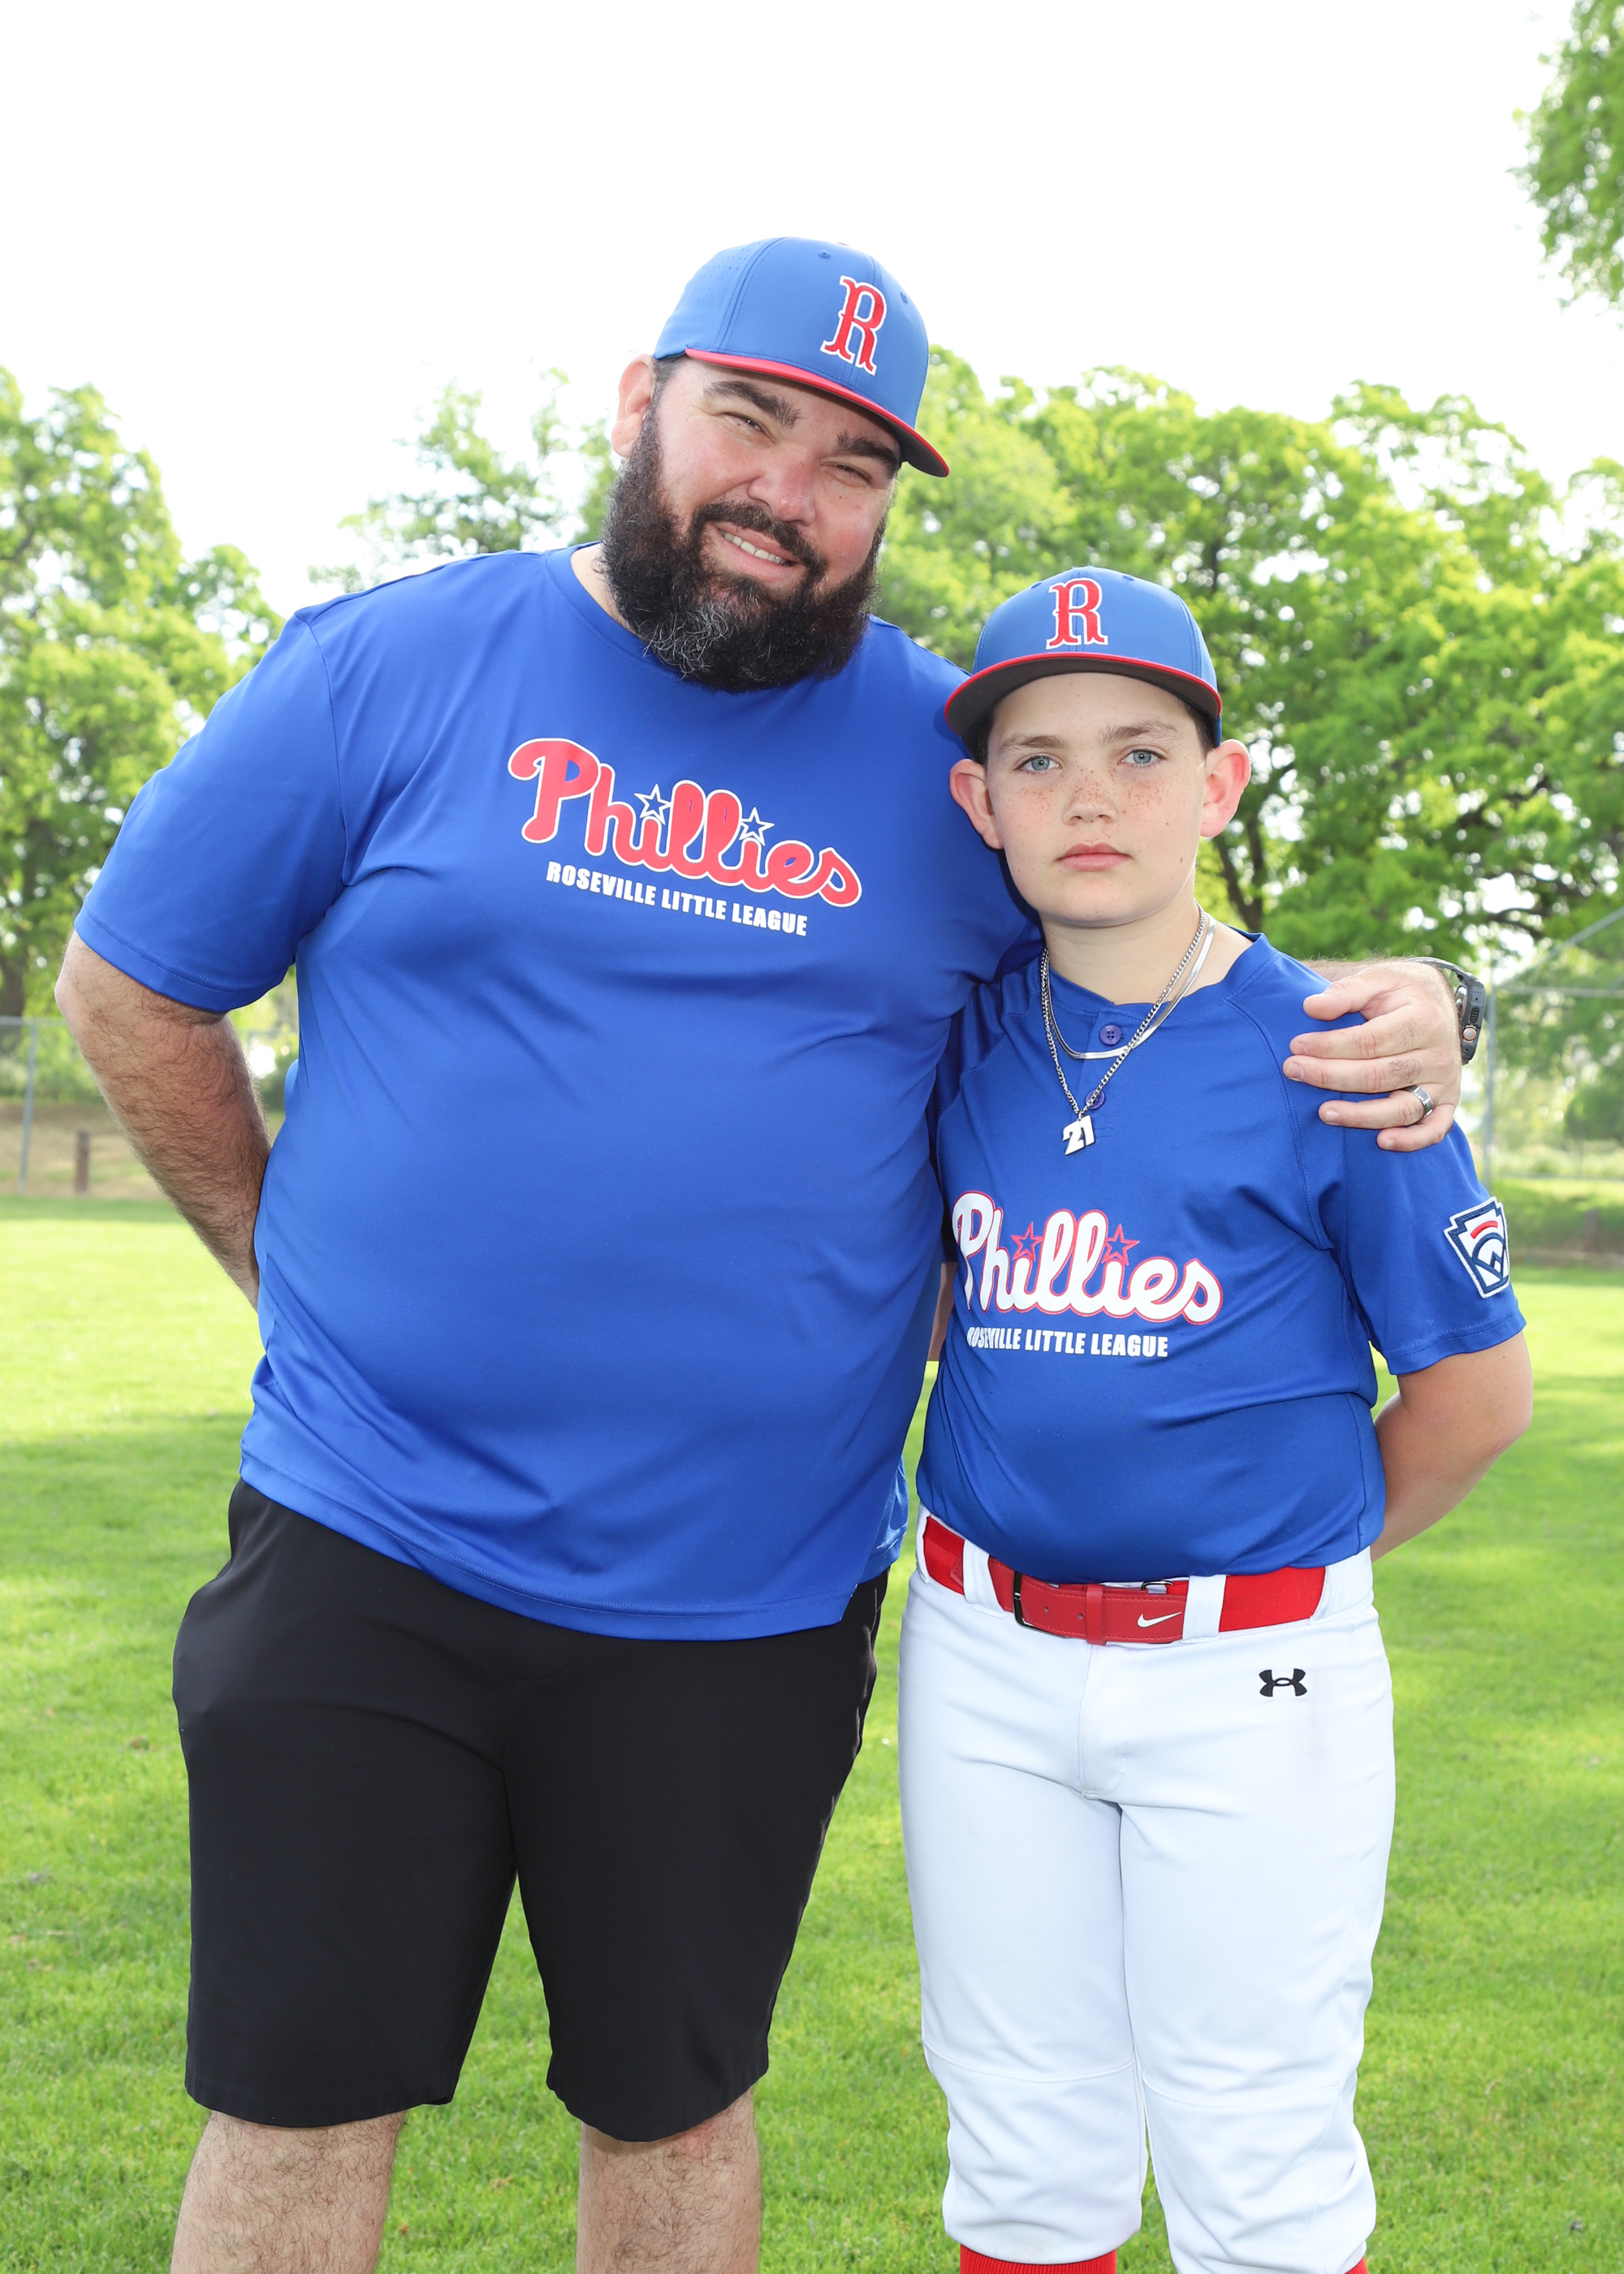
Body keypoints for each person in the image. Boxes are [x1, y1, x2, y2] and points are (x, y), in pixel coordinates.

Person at [55, 239, 1471, 2274]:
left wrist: (1420, 999)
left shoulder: (944, 762)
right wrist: (289, 1276)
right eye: (751, 419)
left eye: (853, 463)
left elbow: (1162, 936)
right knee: (297, 2099)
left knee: (676, 2106)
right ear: (640, 402)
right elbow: (130, 984)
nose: (790, 491)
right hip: (367, 1542)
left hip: (742, 1592)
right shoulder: (392, 662)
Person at [898, 566, 1531, 2274]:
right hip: (982, 1648)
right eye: (1036, 759)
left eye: (1140, 751)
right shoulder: (959, 1029)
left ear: (1221, 783)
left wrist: (1290, 1553)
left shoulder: (1333, 1050)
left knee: (1257, 2158)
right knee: (1021, 2147)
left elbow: (1476, 1396)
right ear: (979, 802)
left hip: (1251, 1668)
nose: (1089, 796)